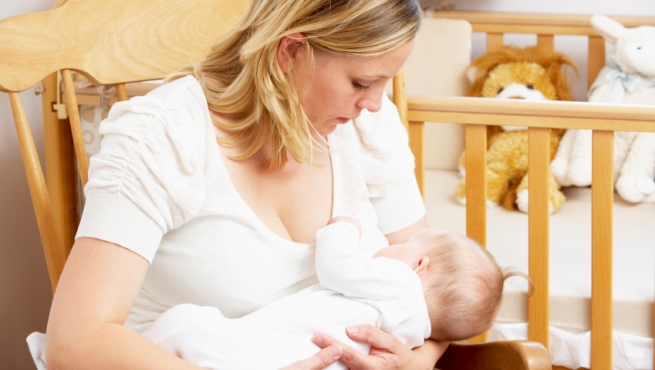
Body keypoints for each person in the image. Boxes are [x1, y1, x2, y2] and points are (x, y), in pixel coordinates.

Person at [41, 0, 450, 369]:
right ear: (290, 52)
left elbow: (441, 283)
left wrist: (418, 360)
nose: (376, 102)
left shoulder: (368, 127)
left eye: (385, 81)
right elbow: (76, 342)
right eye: (361, 83)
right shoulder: (164, 135)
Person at [139, 216, 521, 369]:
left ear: (419, 266)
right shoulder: (411, 333)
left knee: (184, 324)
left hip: (264, 354)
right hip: (306, 359)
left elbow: (340, 269)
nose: (389, 246)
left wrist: (343, 229)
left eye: (408, 244)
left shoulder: (400, 283)